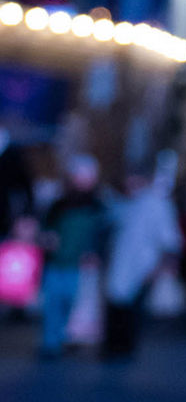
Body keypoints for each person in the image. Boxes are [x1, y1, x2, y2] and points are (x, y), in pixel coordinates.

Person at [102, 171, 182, 361]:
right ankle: (115, 347)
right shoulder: (125, 204)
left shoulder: (156, 205)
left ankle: (124, 348)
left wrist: (162, 266)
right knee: (117, 305)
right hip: (121, 266)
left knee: (131, 310)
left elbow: (170, 239)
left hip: (142, 267)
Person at [37, 153, 110, 360]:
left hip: (81, 265)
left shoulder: (99, 206)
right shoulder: (58, 205)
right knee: (53, 304)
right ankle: (51, 343)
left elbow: (103, 235)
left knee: (73, 305)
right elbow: (46, 228)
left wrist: (96, 253)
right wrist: (46, 239)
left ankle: (65, 338)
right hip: (56, 261)